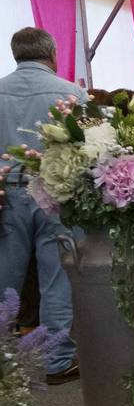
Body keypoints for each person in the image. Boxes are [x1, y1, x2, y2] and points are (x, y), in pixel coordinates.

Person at [0, 27, 81, 383]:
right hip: (55, 192)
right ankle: (58, 360)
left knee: (5, 280)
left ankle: (3, 362)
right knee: (56, 280)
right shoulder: (72, 93)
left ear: (16, 54)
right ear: (52, 54)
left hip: (6, 194)